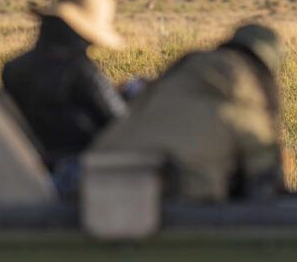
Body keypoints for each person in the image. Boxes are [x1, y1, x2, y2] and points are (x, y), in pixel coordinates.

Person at [92, 24, 284, 203]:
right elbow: (264, 177)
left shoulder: (170, 80)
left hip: (98, 192)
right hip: (175, 205)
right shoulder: (244, 96)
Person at [2, 0, 126, 179]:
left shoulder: (12, 69)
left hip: (31, 169)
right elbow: (120, 122)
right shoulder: (80, 72)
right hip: (77, 175)